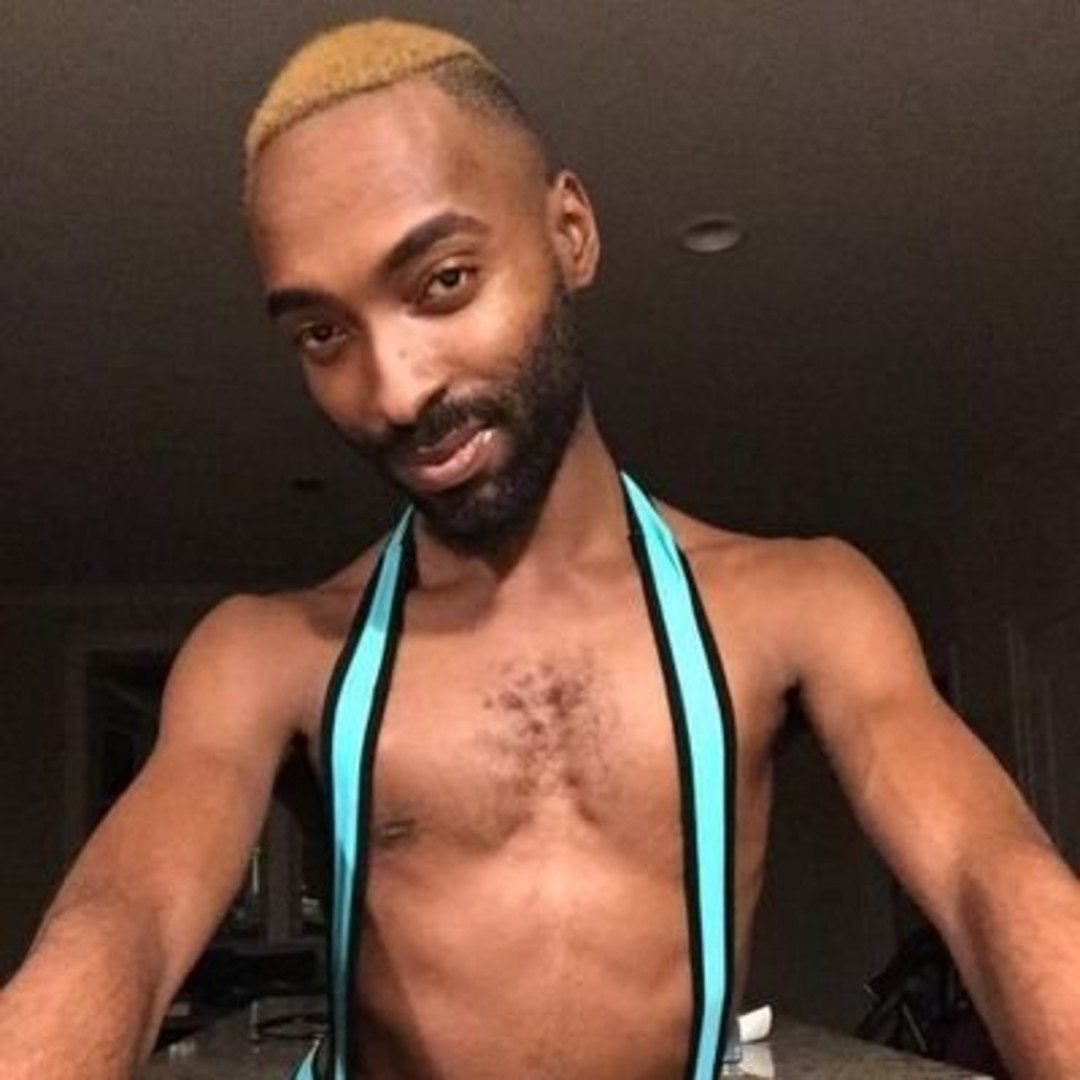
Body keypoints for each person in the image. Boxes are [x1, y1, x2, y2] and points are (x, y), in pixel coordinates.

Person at [2, 17, 1078, 1080]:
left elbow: (989, 872)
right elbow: (122, 922)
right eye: (324, 333)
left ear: (571, 233)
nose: (396, 391)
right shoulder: (269, 655)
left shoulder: (801, 603)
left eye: (443, 281)